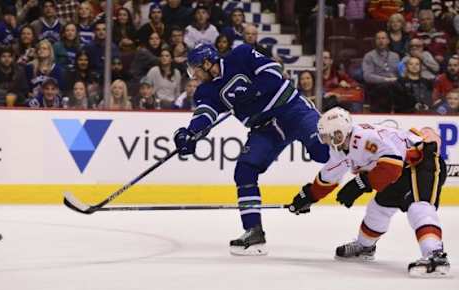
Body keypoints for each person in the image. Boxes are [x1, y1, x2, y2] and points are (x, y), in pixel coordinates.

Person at [173, 44, 329, 256]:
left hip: (293, 110)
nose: (195, 75)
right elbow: (205, 114)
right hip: (265, 129)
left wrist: (253, 90)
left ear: (207, 63)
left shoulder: (241, 54)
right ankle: (253, 231)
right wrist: (190, 134)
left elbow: (274, 72)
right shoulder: (206, 90)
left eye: (195, 69)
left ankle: (368, 155)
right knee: (244, 171)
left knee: (323, 152)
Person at [286, 107, 450, 277]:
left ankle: (435, 254)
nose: (326, 140)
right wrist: (308, 197)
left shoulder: (365, 138)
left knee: (418, 207)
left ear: (340, 133)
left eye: (329, 135)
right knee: (378, 209)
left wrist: (361, 183)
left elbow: (392, 166)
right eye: (324, 136)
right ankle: (365, 246)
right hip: (400, 171)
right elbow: (329, 176)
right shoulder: (339, 148)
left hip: (421, 162)